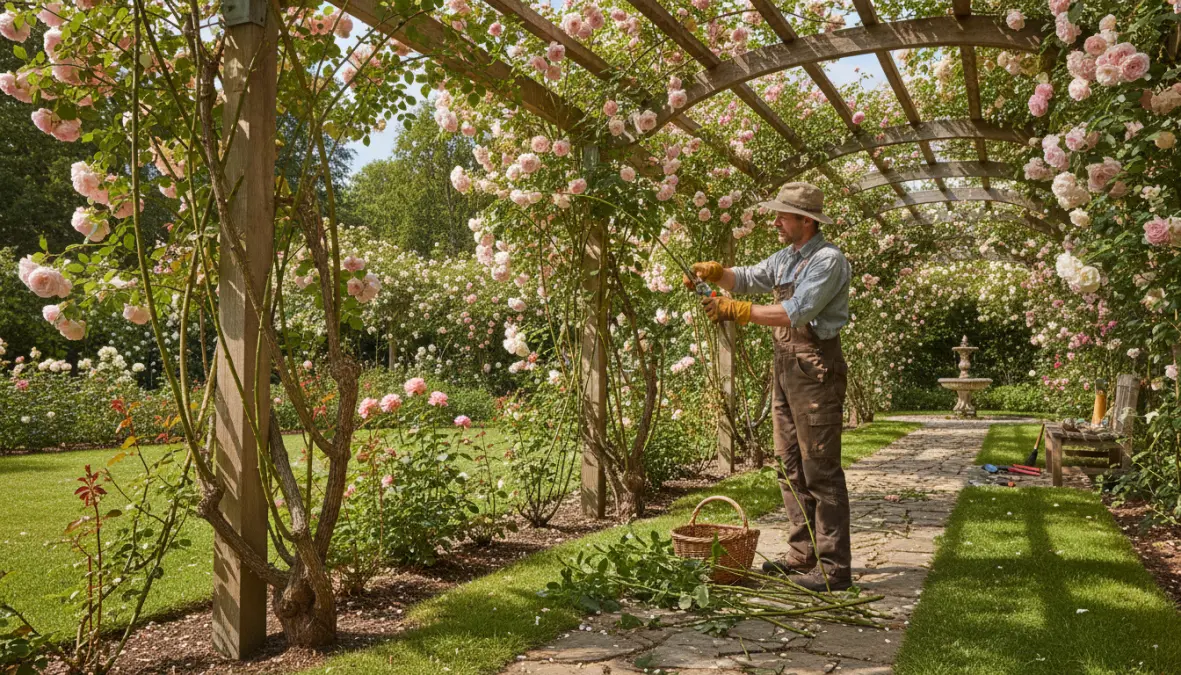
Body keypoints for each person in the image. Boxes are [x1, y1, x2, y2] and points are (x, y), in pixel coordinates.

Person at [683, 182, 853, 592]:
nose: (776, 221)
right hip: (786, 369)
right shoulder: (786, 257)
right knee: (788, 465)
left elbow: (798, 311)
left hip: (815, 369)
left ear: (806, 221)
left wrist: (737, 311)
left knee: (820, 467)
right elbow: (747, 278)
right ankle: (803, 554)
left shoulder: (828, 261)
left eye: (783, 216)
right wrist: (716, 274)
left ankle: (833, 568)